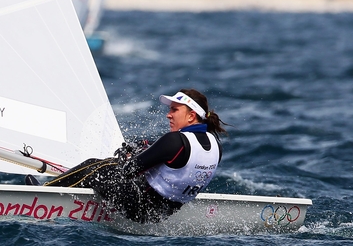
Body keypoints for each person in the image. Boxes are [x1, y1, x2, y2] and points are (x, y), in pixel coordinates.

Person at [31, 88, 228, 224]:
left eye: (174, 110)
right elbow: (178, 166)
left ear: (191, 116)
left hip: (141, 210)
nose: (169, 115)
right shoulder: (215, 146)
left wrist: (130, 155)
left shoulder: (174, 140)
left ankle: (42, 196)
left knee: (98, 167)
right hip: (163, 214)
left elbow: (128, 170)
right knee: (109, 166)